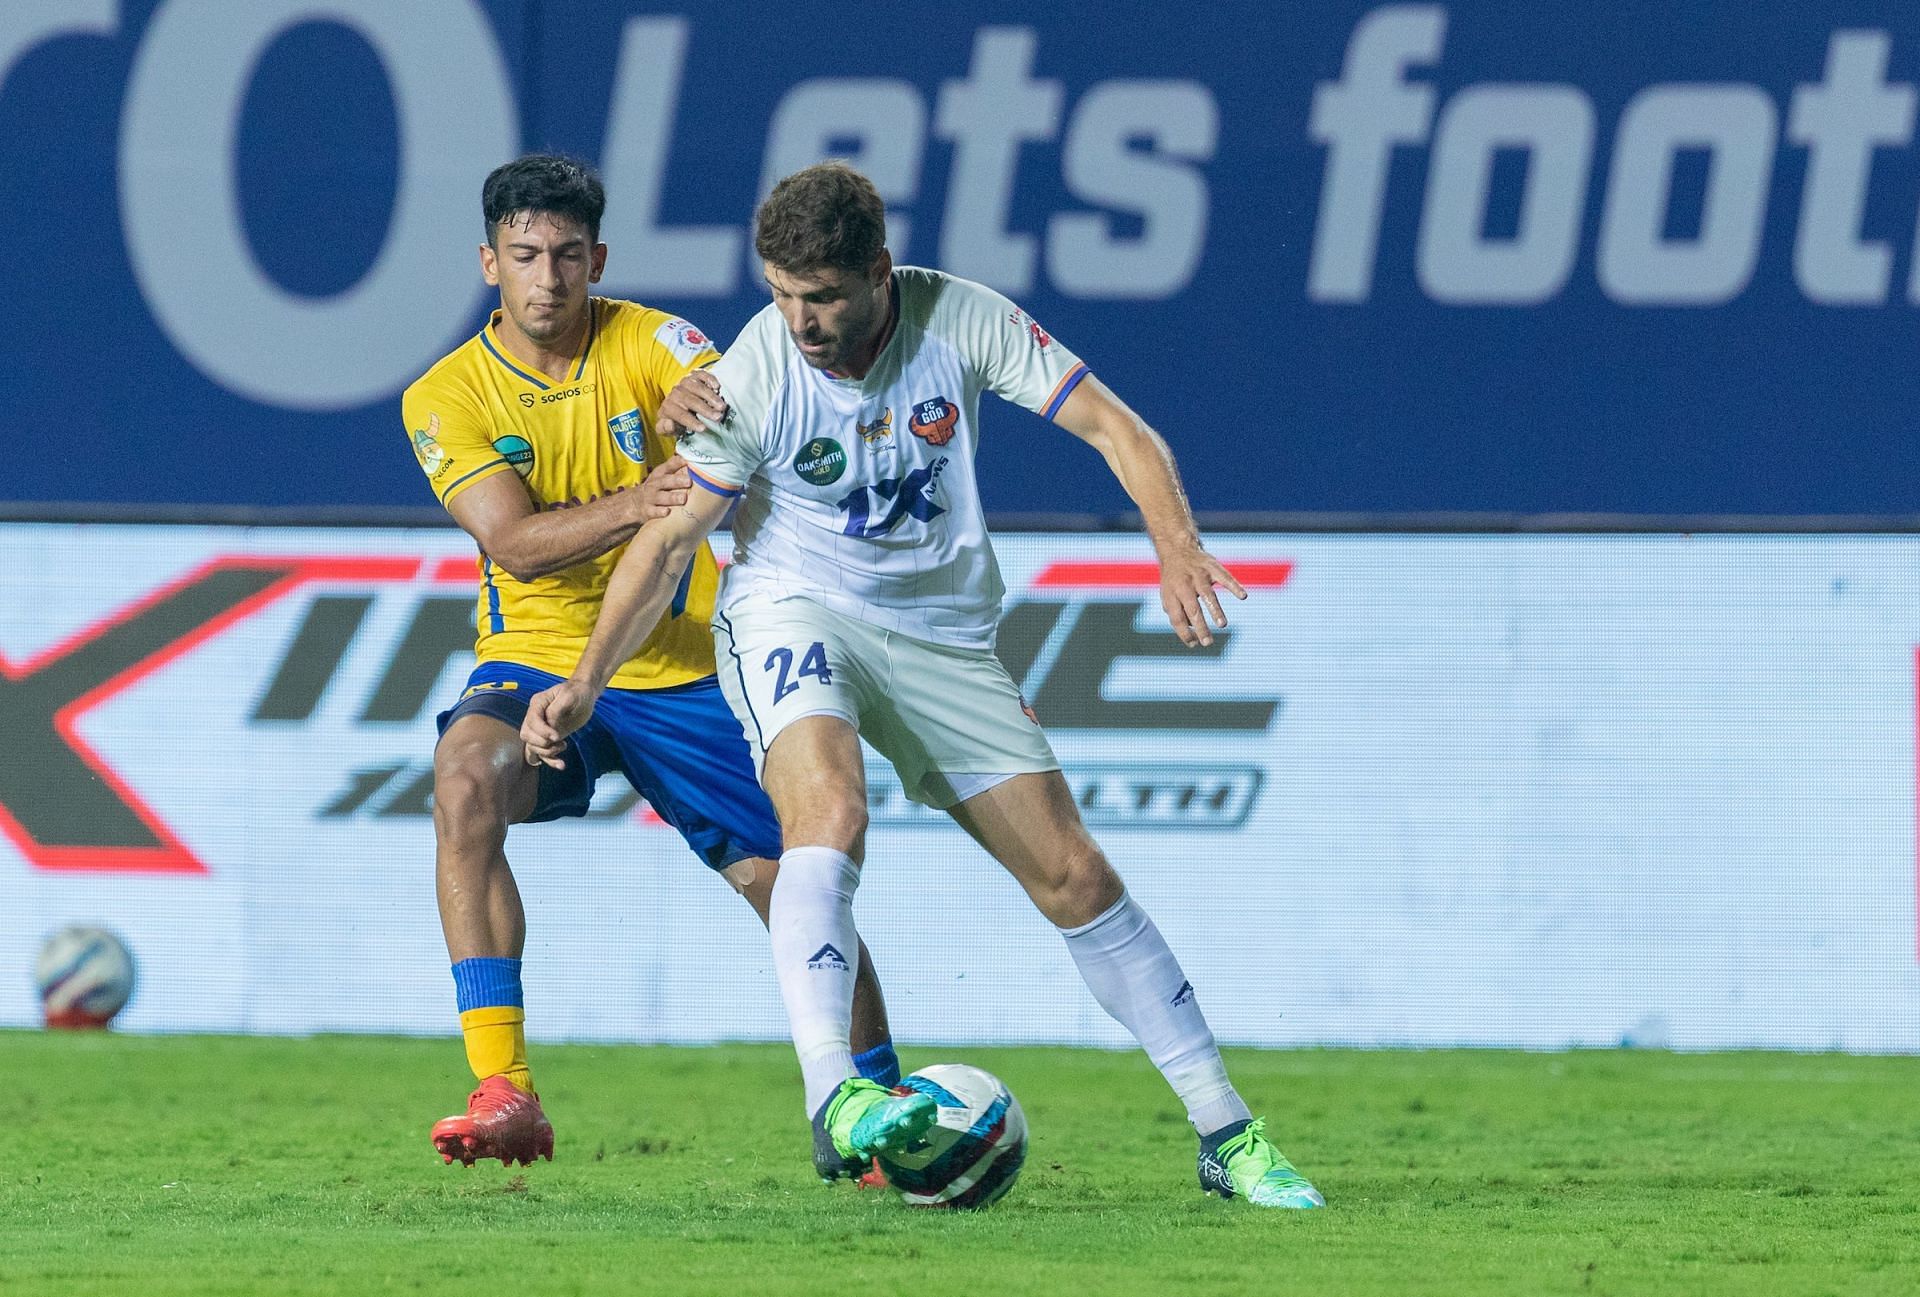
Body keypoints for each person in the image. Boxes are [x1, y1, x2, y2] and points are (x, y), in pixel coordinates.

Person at [521, 161, 1322, 1209]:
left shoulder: (961, 318)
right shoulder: (755, 371)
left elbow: (1117, 429)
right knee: (831, 810)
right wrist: (586, 681)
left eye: (823, 297)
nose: (800, 320)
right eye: (781, 293)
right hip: (791, 611)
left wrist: (1176, 548)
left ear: (879, 274)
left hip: (943, 637)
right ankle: (836, 1097)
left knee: (1075, 877)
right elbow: (672, 541)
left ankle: (1229, 1133)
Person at [399, 154, 899, 1170]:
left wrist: (696, 409)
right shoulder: (442, 396)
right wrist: (639, 500)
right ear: (489, 262)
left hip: (689, 663)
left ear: (599, 259)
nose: (549, 278)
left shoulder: (652, 339)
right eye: (527, 255)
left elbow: (714, 390)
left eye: (570, 256)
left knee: (795, 885)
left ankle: (881, 1110)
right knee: (464, 784)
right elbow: (513, 542)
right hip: (535, 660)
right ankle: (506, 1090)